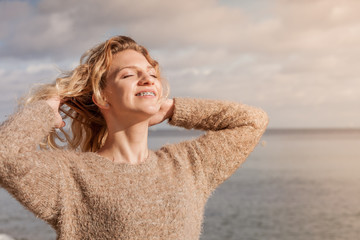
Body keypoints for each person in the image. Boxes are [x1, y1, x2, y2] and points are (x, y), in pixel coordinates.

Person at [0, 36, 268, 240]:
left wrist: (174, 108)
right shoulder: (71, 177)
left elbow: (252, 122)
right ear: (103, 97)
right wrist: (48, 108)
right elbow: (5, 155)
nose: (147, 79)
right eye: (129, 74)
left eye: (152, 74)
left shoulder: (189, 165)